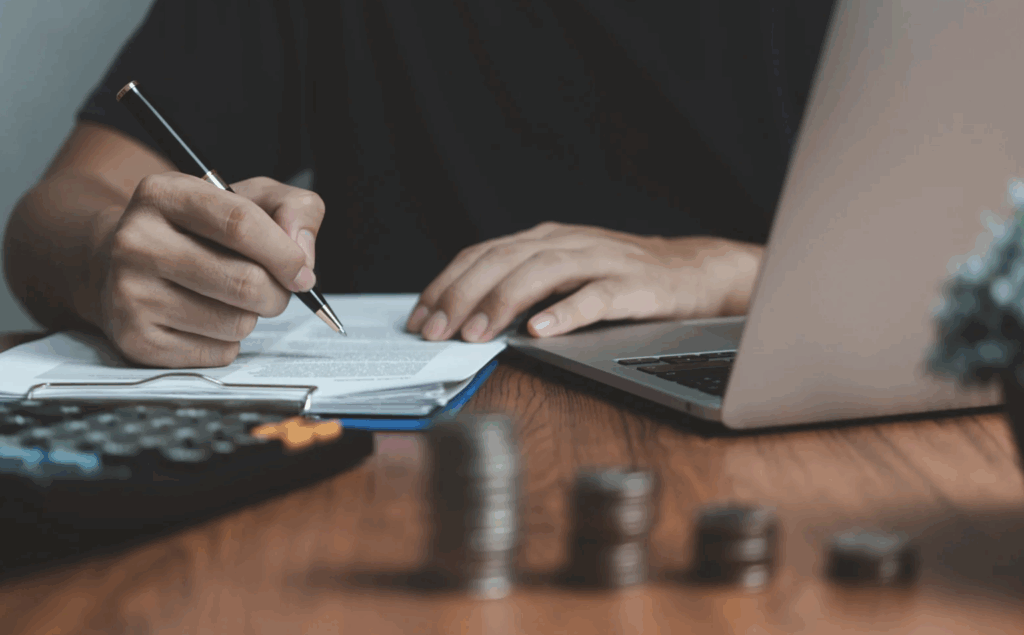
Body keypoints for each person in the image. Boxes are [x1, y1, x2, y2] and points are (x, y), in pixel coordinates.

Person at [3, 0, 833, 368]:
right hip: (381, 465)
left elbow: (960, 251)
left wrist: (740, 273)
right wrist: (111, 256)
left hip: (782, 429)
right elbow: (51, 218)